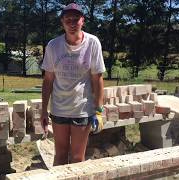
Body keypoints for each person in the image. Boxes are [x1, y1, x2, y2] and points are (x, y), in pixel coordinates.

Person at [40, 3, 106, 166]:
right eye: (67, 20)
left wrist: (98, 110)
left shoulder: (92, 43)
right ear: (62, 22)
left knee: (77, 158)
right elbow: (48, 80)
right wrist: (43, 110)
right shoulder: (53, 46)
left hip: (82, 110)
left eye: (75, 19)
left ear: (82, 21)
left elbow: (97, 78)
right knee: (60, 155)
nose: (72, 23)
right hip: (59, 109)